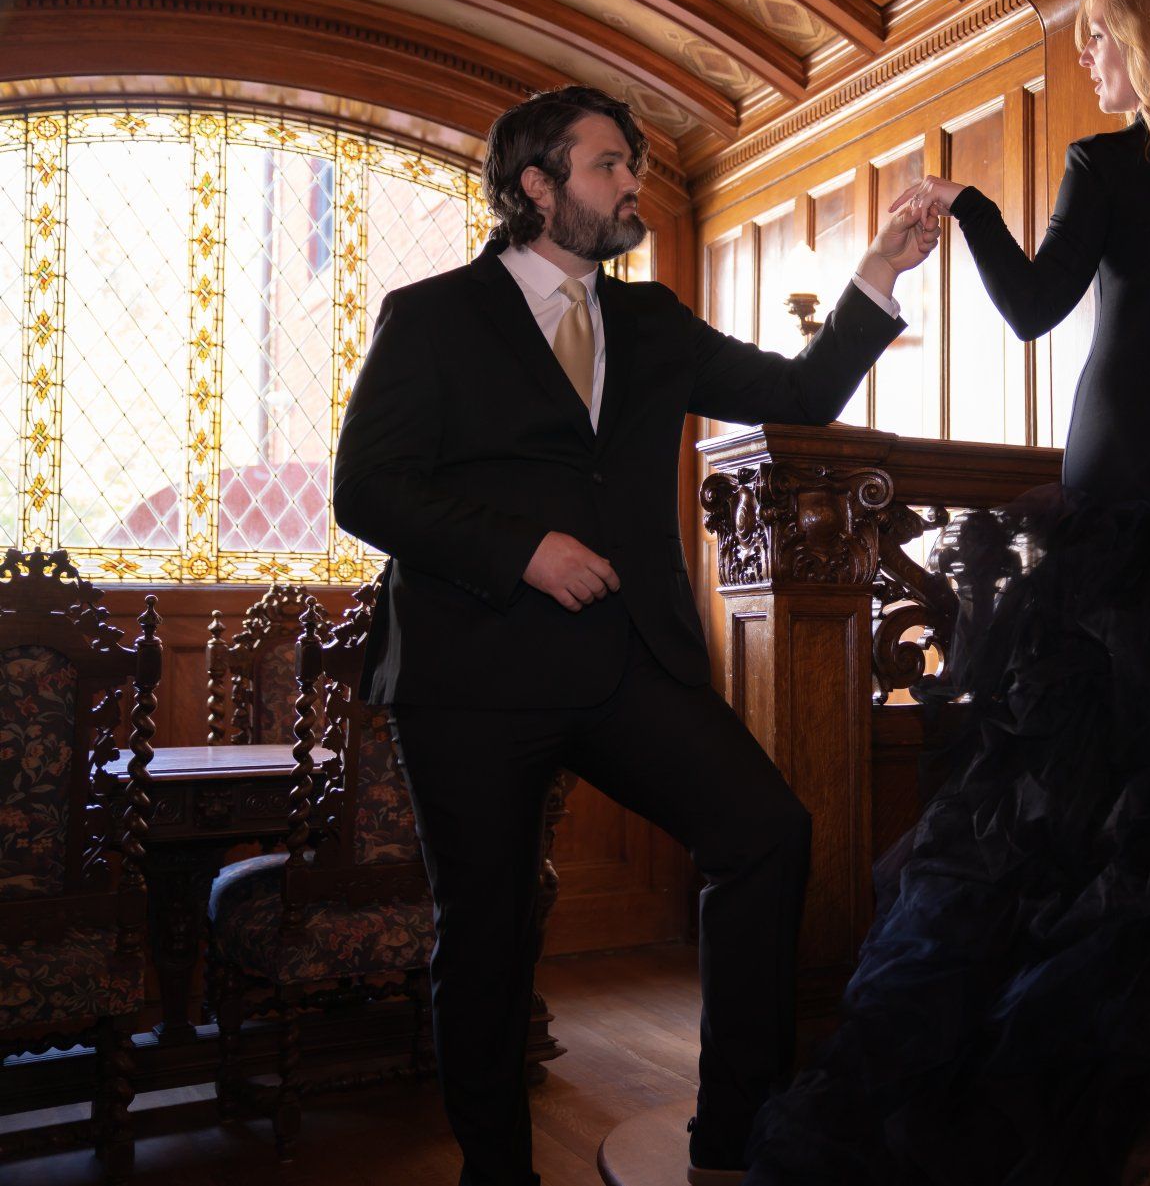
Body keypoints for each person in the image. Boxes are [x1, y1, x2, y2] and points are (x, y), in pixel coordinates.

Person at [742, 0, 1150, 1186]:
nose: (1085, 61)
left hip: (1130, 468)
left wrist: (967, 210)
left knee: (1067, 774)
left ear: (1148, 43)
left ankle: (1018, 1041)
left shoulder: (1099, 165)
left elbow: (1035, 310)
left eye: (1099, 41)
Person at [332, 84, 940, 1186]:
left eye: (634, 167)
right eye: (609, 165)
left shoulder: (652, 321)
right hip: (469, 673)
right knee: (490, 936)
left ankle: (734, 1140)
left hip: (625, 661)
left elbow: (801, 391)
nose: (632, 186)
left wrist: (882, 273)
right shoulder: (429, 317)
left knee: (765, 831)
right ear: (536, 186)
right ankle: (497, 1175)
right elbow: (366, 490)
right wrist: (526, 549)